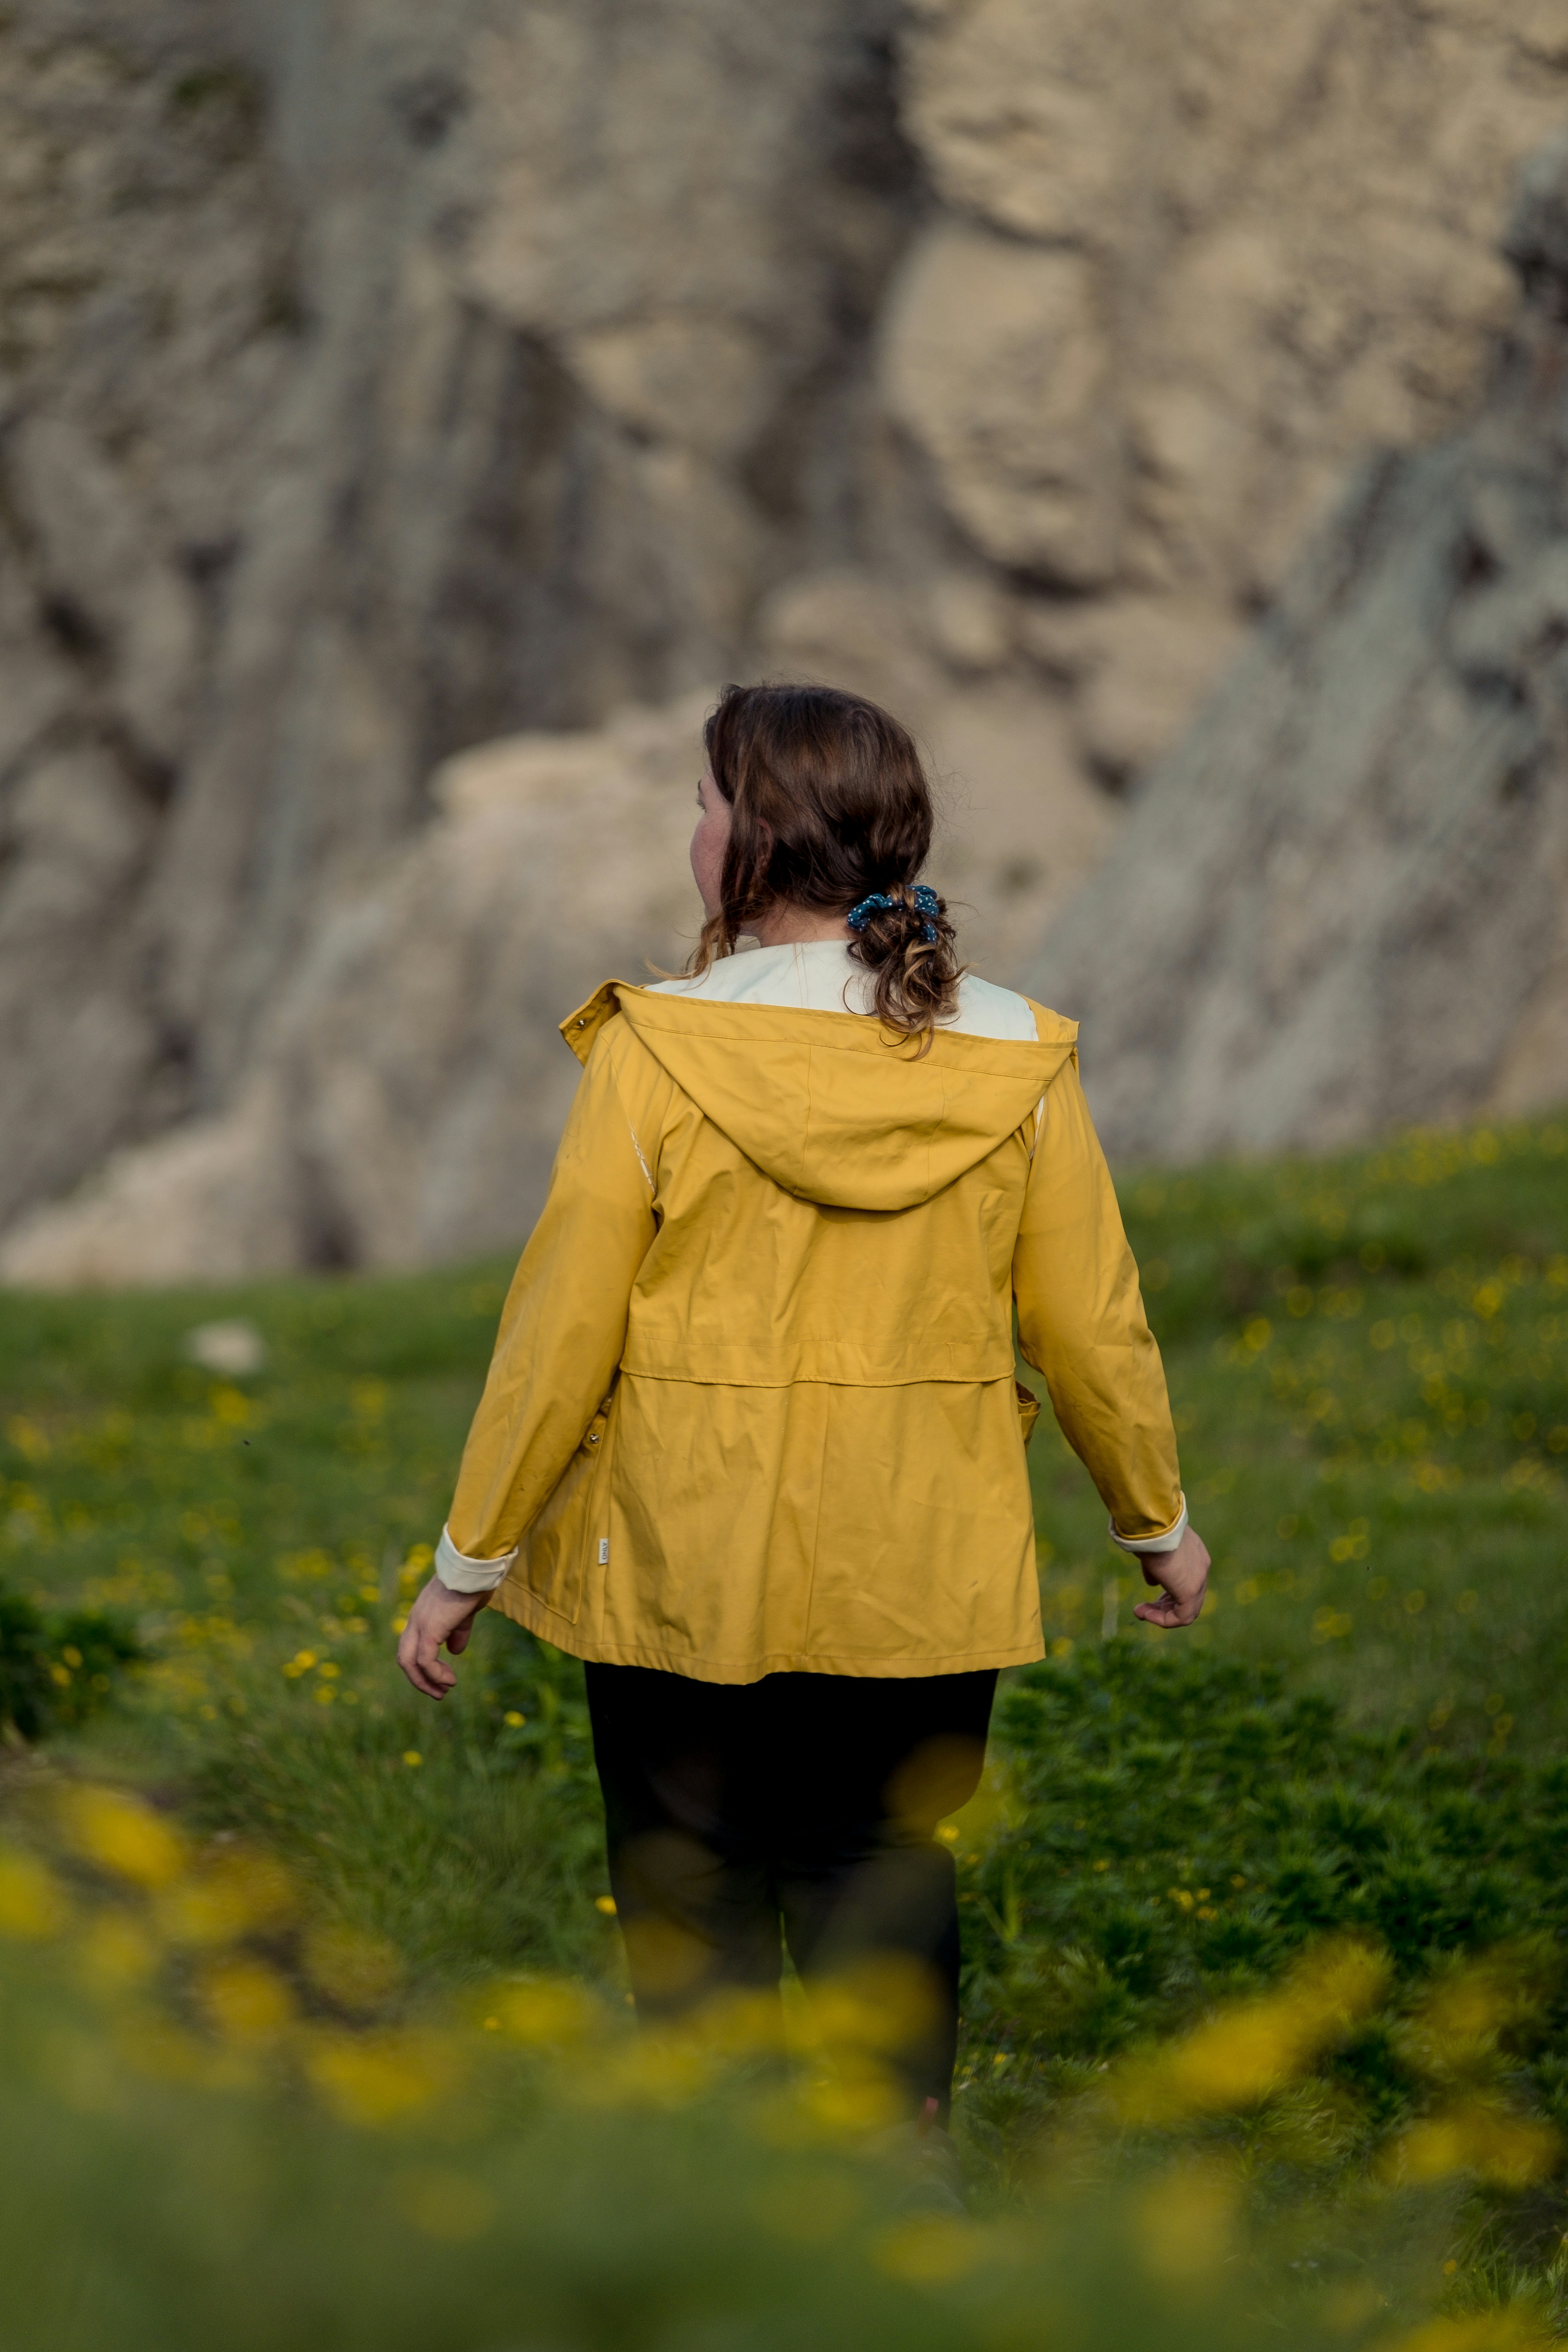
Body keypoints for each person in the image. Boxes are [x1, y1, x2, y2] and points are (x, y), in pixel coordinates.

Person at [397, 681, 1208, 2161]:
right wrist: (1150, 1518)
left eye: (704, 804)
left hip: (672, 1569)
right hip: (919, 1570)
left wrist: (469, 1562)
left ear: (753, 840)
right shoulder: (1016, 1051)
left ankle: (712, 2220)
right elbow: (1091, 1326)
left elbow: (557, 1336)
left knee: (687, 1884)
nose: (691, 832)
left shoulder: (655, 1049)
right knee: (881, 1866)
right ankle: (892, 2205)